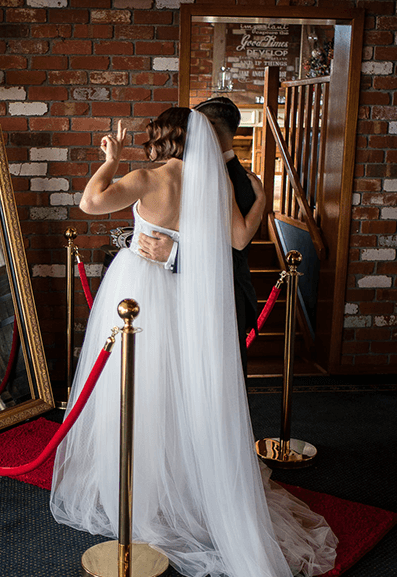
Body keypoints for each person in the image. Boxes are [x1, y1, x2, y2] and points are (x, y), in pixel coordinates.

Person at [50, 108, 337, 577]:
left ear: (159, 140)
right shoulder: (215, 184)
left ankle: (142, 490)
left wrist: (113, 157)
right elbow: (241, 238)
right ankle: (186, 483)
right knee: (183, 390)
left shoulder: (145, 177)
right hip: (187, 300)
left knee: (138, 390)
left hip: (139, 296)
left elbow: (91, 202)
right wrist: (261, 199)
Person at [138, 97, 261, 377]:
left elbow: (234, 247)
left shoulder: (234, 179)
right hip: (194, 291)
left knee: (221, 377)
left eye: (194, 128)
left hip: (224, 294)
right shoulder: (200, 171)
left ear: (212, 128)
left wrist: (175, 253)